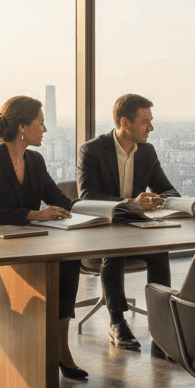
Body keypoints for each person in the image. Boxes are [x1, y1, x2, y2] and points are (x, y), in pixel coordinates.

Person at [0, 95, 89, 381]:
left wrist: (104, 210)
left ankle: (61, 347)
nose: (45, 130)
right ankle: (36, 353)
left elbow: (59, 199)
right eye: (41, 123)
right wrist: (32, 215)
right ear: (23, 127)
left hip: (31, 244)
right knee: (53, 269)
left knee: (69, 263)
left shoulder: (34, 160)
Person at [76, 93, 177, 357]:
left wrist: (159, 198)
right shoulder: (92, 150)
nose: (151, 128)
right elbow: (87, 197)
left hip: (135, 230)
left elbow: (168, 190)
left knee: (159, 252)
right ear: (125, 122)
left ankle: (161, 327)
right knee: (114, 251)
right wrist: (131, 201)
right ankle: (117, 322)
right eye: (146, 122)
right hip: (101, 231)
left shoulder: (147, 151)